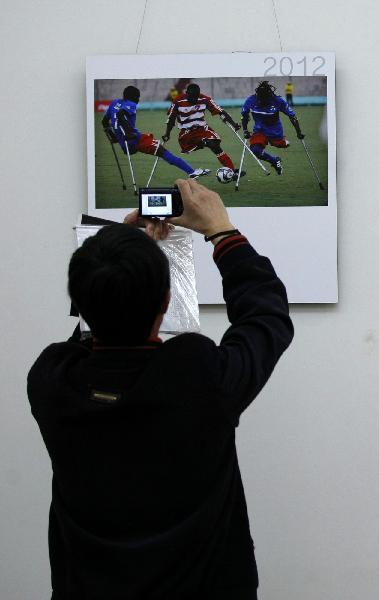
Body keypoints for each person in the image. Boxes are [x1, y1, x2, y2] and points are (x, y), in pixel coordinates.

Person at [28, 179, 293, 599]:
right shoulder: (200, 379)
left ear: (80, 301)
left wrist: (113, 257)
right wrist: (222, 232)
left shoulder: (52, 383)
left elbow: (89, 335)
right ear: (169, 300)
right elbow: (267, 318)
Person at [101, 85, 209, 179]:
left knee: (155, 144)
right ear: (133, 97)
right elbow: (120, 114)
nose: (138, 100)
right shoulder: (131, 104)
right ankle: (192, 172)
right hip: (134, 140)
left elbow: (104, 122)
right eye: (137, 97)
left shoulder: (114, 103)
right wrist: (129, 132)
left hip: (124, 144)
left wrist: (113, 136)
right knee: (162, 151)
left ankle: (192, 171)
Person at [163, 83, 245, 177]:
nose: (194, 100)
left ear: (199, 94)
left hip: (203, 130)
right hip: (187, 133)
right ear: (186, 93)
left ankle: (232, 172)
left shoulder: (205, 99)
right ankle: (228, 170)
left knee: (214, 145)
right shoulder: (177, 101)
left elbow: (220, 111)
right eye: (191, 97)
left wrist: (234, 124)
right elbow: (171, 119)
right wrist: (167, 134)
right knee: (210, 143)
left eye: (195, 97)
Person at [241, 80, 304, 175]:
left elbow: (292, 116)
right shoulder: (251, 100)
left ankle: (284, 142)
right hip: (259, 130)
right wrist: (245, 130)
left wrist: (298, 133)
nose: (261, 100)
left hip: (275, 130)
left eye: (264, 98)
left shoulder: (277, 101)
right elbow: (244, 116)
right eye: (260, 98)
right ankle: (274, 161)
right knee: (255, 151)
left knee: (280, 144)